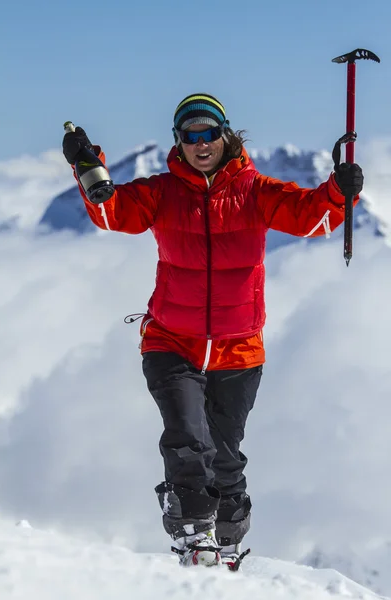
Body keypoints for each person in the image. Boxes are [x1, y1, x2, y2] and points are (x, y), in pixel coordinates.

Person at [62, 93, 363, 570]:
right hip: (171, 341)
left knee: (225, 455)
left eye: (209, 134)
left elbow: (313, 217)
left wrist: (338, 191)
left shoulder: (255, 190)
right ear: (178, 142)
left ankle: (229, 531)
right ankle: (191, 533)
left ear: (226, 135)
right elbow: (112, 213)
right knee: (187, 438)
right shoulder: (162, 191)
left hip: (239, 349)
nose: (201, 144)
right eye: (190, 136)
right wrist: (87, 167)